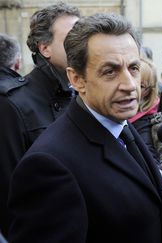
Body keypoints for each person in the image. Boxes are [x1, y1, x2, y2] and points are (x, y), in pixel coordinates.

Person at [8, 13, 162, 242]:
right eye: (110, 71)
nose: (129, 85)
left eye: (134, 68)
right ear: (77, 79)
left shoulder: (120, 126)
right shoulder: (49, 167)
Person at [0, 3, 80, 236]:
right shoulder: (12, 105)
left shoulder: (82, 95)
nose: (83, 43)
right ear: (45, 48)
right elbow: (9, 196)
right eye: (72, 37)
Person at [129, 58, 161, 161]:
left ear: (148, 92)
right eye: (130, 79)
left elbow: (149, 160)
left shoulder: (147, 122)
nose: (131, 87)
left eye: (141, 85)